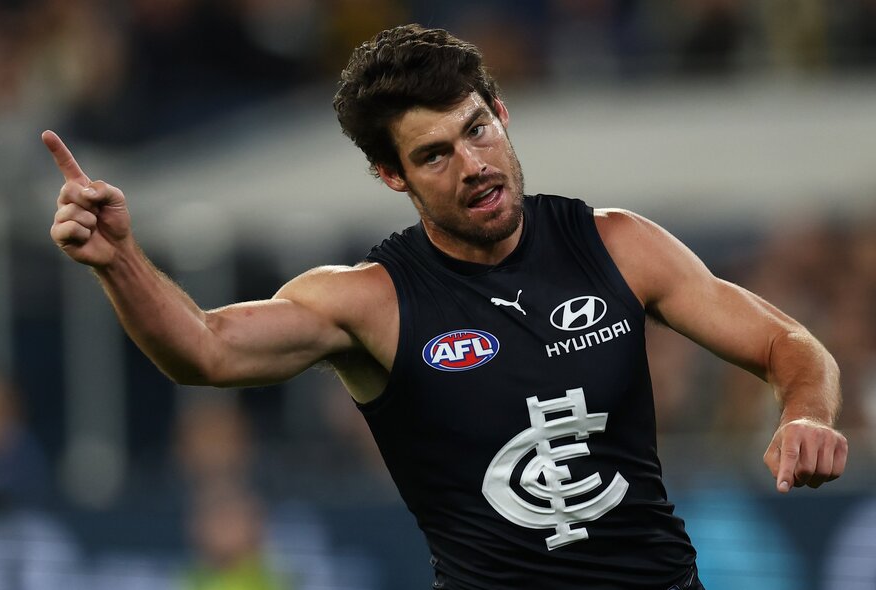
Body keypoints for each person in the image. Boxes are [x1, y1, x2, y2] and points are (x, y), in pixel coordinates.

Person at [43, 23, 847, 590]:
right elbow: (206, 352)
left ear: (500, 112)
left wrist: (806, 413)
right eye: (434, 154)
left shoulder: (619, 244)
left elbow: (788, 344)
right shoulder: (369, 301)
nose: (473, 165)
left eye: (477, 130)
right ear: (392, 176)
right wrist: (120, 262)